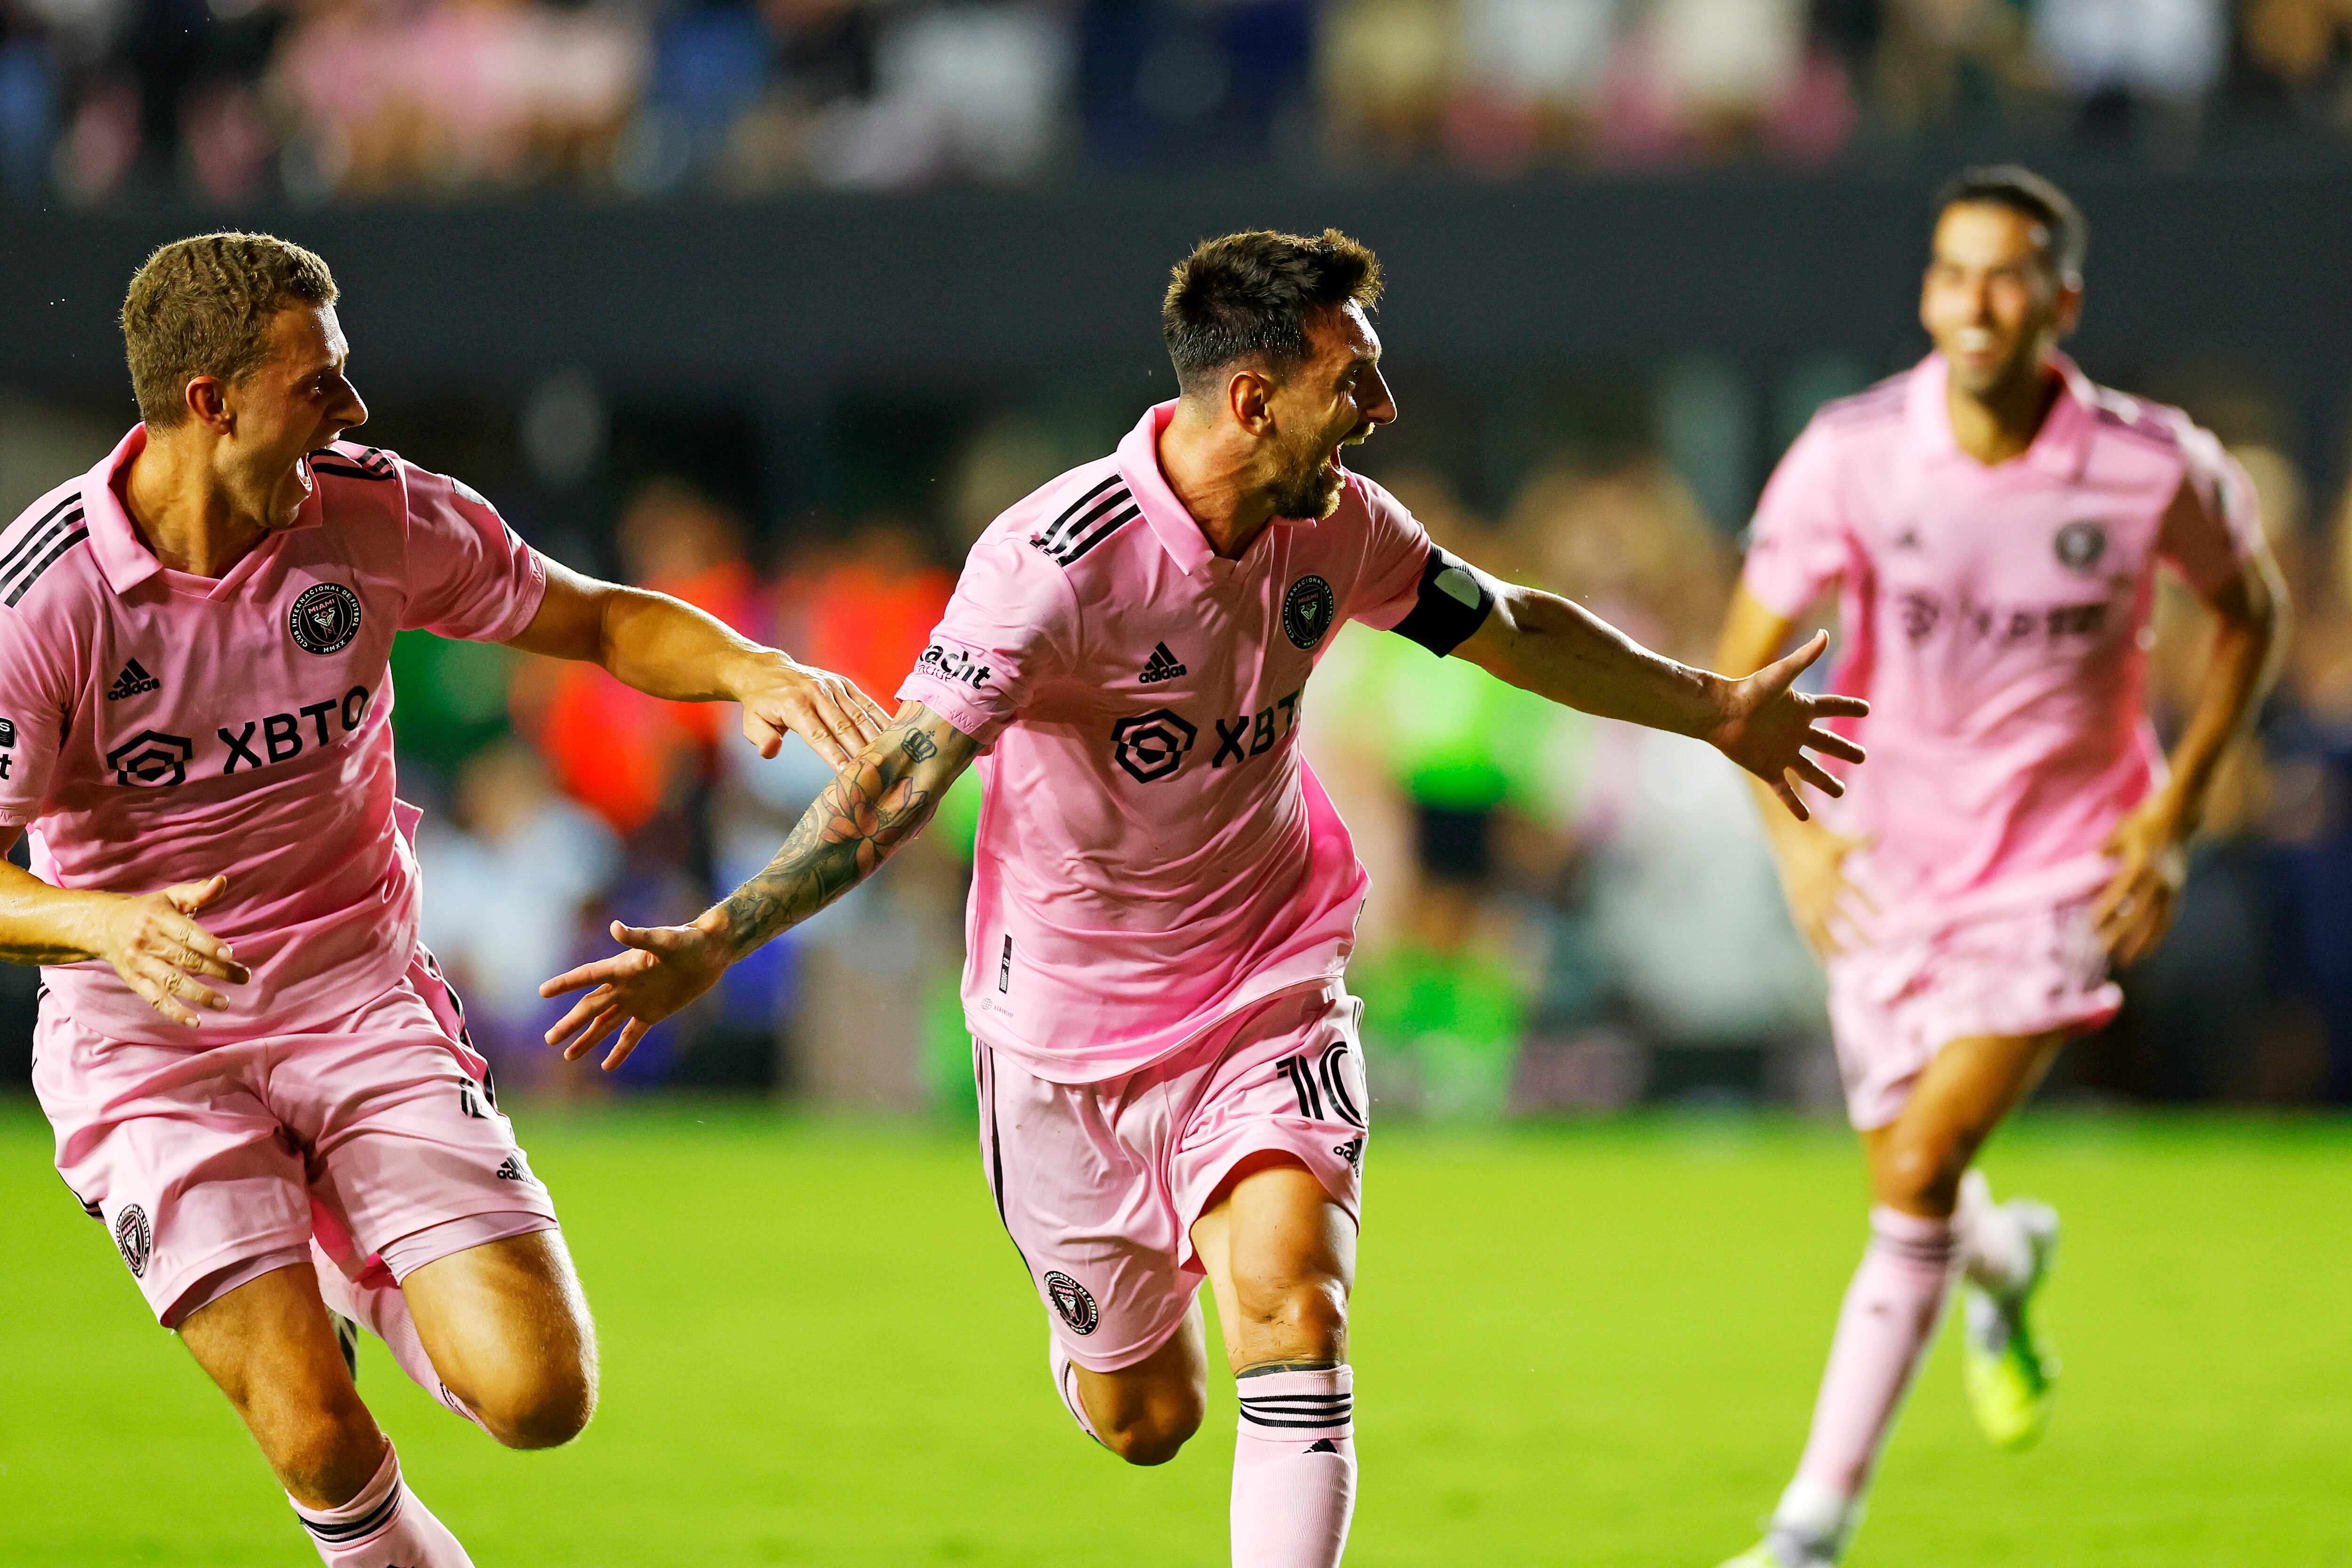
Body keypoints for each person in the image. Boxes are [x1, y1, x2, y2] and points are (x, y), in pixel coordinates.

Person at [540, 227, 1865, 1568]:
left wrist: (1717, 712)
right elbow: (898, 783)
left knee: (1296, 1306)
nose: (1383, 412)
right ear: (1253, 397)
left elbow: (1509, 626)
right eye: (1357, 380)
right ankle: (1102, 1351)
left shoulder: (1341, 526)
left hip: (1266, 983)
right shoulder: (1053, 565)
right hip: (1062, 1036)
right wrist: (717, 939)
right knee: (1149, 1417)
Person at [0, 232, 888, 1568]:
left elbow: (590, 619)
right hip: (147, 1036)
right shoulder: (46, 599)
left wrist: (748, 667)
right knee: (315, 1430)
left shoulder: (375, 513)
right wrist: (100, 919)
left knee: (539, 1400)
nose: (354, 411)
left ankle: (351, 1243)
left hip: (357, 1001)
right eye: (321, 385)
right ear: (210, 401)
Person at [1709, 167, 2284, 1568]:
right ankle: (2010, 1260)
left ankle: (1810, 1530)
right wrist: (1795, 842)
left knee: (1919, 1164)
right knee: (1918, 1184)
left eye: (2011, 274)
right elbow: (1740, 667)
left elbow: (2251, 617)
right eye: (1955, 273)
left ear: (2062, 302)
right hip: (1889, 862)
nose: (1979, 300)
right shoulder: (1853, 454)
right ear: (1926, 294)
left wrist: (2175, 815)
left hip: (2064, 866)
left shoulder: (2154, 465)